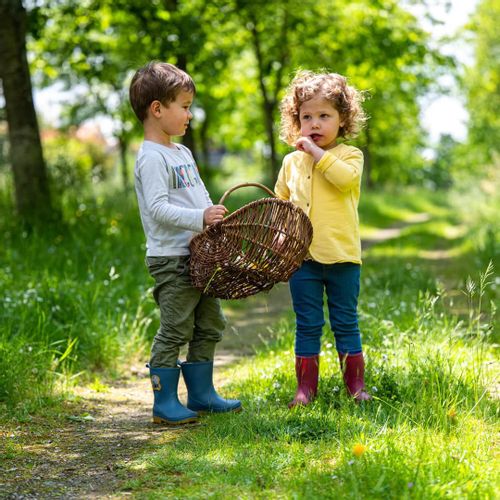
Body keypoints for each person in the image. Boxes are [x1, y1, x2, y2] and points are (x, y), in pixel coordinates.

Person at [129, 61, 241, 425]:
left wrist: (214, 220)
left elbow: (200, 195)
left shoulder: (182, 153)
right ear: (157, 109)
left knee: (209, 322)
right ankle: (164, 402)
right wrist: (199, 219)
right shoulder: (150, 157)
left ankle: (202, 394)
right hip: (171, 258)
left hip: (199, 255)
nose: (190, 114)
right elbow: (158, 208)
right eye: (185, 106)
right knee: (176, 327)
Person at [274, 70, 371, 407]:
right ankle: (305, 390)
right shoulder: (290, 162)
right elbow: (281, 204)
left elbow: (344, 180)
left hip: (343, 257)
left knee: (345, 322)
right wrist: (282, 237)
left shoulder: (349, 155)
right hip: (304, 261)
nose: (314, 123)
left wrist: (315, 152)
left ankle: (355, 386)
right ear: (296, 121)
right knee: (308, 323)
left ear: (343, 120)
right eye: (307, 117)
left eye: (324, 116)